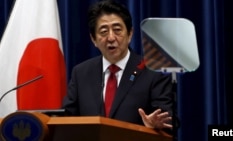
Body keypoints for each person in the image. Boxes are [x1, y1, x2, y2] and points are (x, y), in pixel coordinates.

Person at [62, 0, 176, 133]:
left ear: (130, 34)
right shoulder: (81, 73)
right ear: (93, 39)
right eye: (104, 31)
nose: (111, 38)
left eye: (117, 30)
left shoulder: (153, 71)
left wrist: (153, 126)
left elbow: (167, 122)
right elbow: (66, 120)